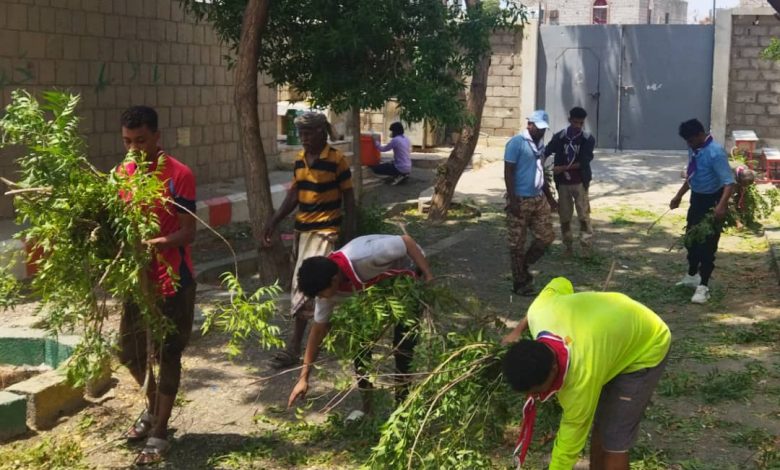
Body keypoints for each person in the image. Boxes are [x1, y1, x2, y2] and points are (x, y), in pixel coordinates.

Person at [501, 277, 671, 470]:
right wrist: (517, 330)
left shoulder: (580, 383)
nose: (536, 397)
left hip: (646, 343)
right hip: (613, 326)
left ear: (554, 369)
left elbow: (568, 446)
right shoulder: (539, 314)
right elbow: (560, 282)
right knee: (601, 421)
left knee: (614, 437)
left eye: (539, 391)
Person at [116, 106, 197, 465]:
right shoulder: (122, 173)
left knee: (168, 354)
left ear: (156, 137)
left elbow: (188, 230)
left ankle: (161, 431)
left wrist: (159, 244)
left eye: (141, 140)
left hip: (172, 278)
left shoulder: (179, 175)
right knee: (129, 351)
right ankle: (152, 408)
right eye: (127, 141)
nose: (133, 148)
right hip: (137, 281)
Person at [287, 234, 434, 417]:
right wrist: (303, 378)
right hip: (374, 289)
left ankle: (402, 409)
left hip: (408, 271)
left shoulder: (367, 256)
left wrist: (427, 275)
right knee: (361, 346)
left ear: (334, 280)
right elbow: (317, 331)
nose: (322, 299)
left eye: (322, 295)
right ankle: (368, 410)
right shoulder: (326, 290)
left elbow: (406, 241)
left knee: (403, 345)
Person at [262, 112, 356, 369]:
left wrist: (348, 233)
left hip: (325, 232)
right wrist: (274, 220)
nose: (303, 138)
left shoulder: (336, 160)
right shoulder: (300, 160)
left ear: (322, 132)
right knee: (308, 287)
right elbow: (294, 195)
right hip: (302, 233)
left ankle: (295, 347)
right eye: (301, 134)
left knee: (307, 286)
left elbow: (349, 199)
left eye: (308, 133)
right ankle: (318, 337)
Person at [670, 119, 735, 304]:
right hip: (696, 199)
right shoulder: (695, 148)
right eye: (687, 142)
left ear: (700, 134)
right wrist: (679, 196)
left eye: (691, 140)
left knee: (707, 245)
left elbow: (729, 183)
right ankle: (692, 275)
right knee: (691, 239)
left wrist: (721, 206)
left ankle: (703, 286)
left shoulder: (716, 153)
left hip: (713, 201)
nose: (689, 145)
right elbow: (692, 174)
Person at [504, 110, 557, 296]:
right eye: (538, 128)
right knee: (516, 243)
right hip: (519, 198)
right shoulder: (516, 143)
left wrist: (549, 198)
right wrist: (512, 200)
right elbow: (508, 172)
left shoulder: (540, 145)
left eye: (544, 129)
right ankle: (520, 282)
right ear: (529, 125)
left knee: (546, 237)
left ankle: (524, 264)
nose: (541, 132)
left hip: (538, 198)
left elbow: (541, 172)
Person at [544, 107, 596, 256]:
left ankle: (586, 246)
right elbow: (547, 151)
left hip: (580, 182)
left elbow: (584, 162)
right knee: (565, 216)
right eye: (575, 122)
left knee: (583, 216)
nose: (578, 126)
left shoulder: (587, 139)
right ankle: (568, 246)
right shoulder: (560, 137)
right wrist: (540, 164)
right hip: (563, 184)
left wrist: (562, 168)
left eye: (581, 123)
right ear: (569, 120)